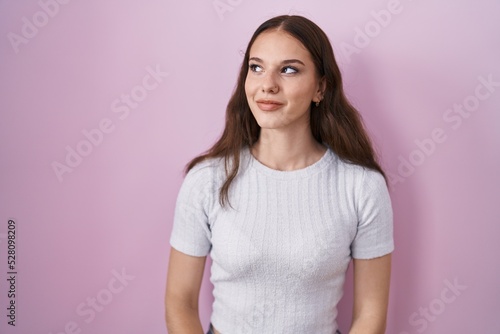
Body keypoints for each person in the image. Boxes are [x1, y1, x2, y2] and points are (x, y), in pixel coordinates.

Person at [165, 14, 394, 334]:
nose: (267, 84)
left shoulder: (362, 187)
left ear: (320, 88)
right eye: (256, 67)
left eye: (288, 69)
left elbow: (370, 313)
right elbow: (180, 301)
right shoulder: (206, 180)